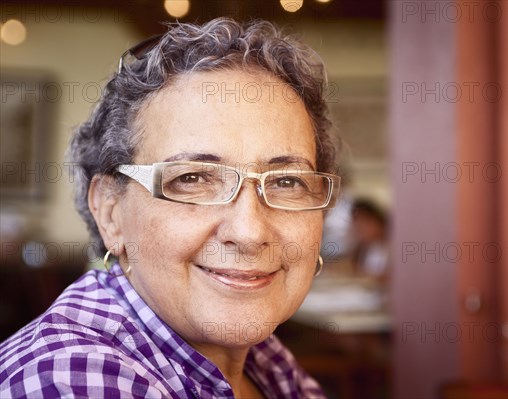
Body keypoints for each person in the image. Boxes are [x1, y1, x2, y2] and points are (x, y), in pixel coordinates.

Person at [0, 18, 341, 398]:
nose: (249, 232)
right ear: (111, 211)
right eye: (193, 179)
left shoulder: (263, 360)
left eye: (286, 182)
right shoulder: (69, 379)